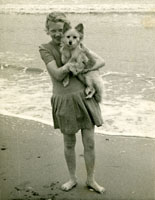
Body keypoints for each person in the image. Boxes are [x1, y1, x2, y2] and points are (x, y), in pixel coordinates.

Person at [39, 12, 106, 194]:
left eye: (61, 30)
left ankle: (91, 179)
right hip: (64, 99)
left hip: (84, 98)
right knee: (69, 143)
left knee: (89, 142)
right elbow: (58, 74)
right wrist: (73, 65)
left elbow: (101, 61)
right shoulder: (45, 48)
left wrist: (84, 67)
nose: (58, 34)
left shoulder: (78, 44)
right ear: (48, 30)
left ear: (67, 29)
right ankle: (72, 178)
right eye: (53, 30)